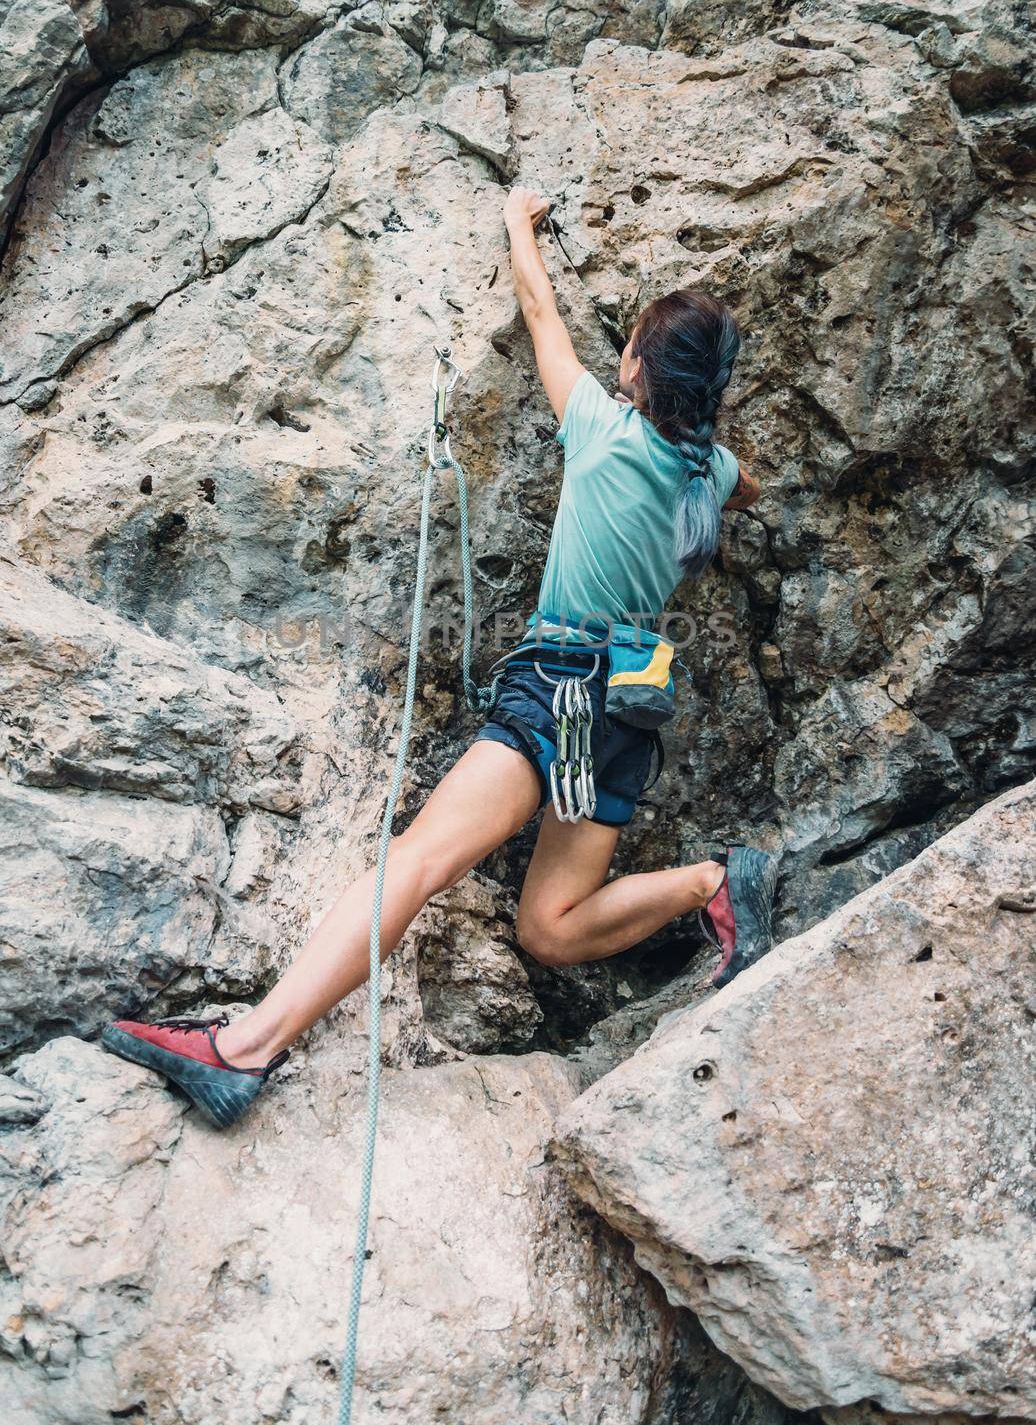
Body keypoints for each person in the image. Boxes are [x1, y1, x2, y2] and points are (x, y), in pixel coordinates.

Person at [102, 186, 774, 1128]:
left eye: (627, 349)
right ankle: (712, 883)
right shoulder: (715, 475)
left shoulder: (600, 427)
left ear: (638, 372)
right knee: (548, 929)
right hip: (626, 713)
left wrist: (517, 223)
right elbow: (748, 492)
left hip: (561, 693)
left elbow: (540, 313)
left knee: (414, 864)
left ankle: (244, 1049)